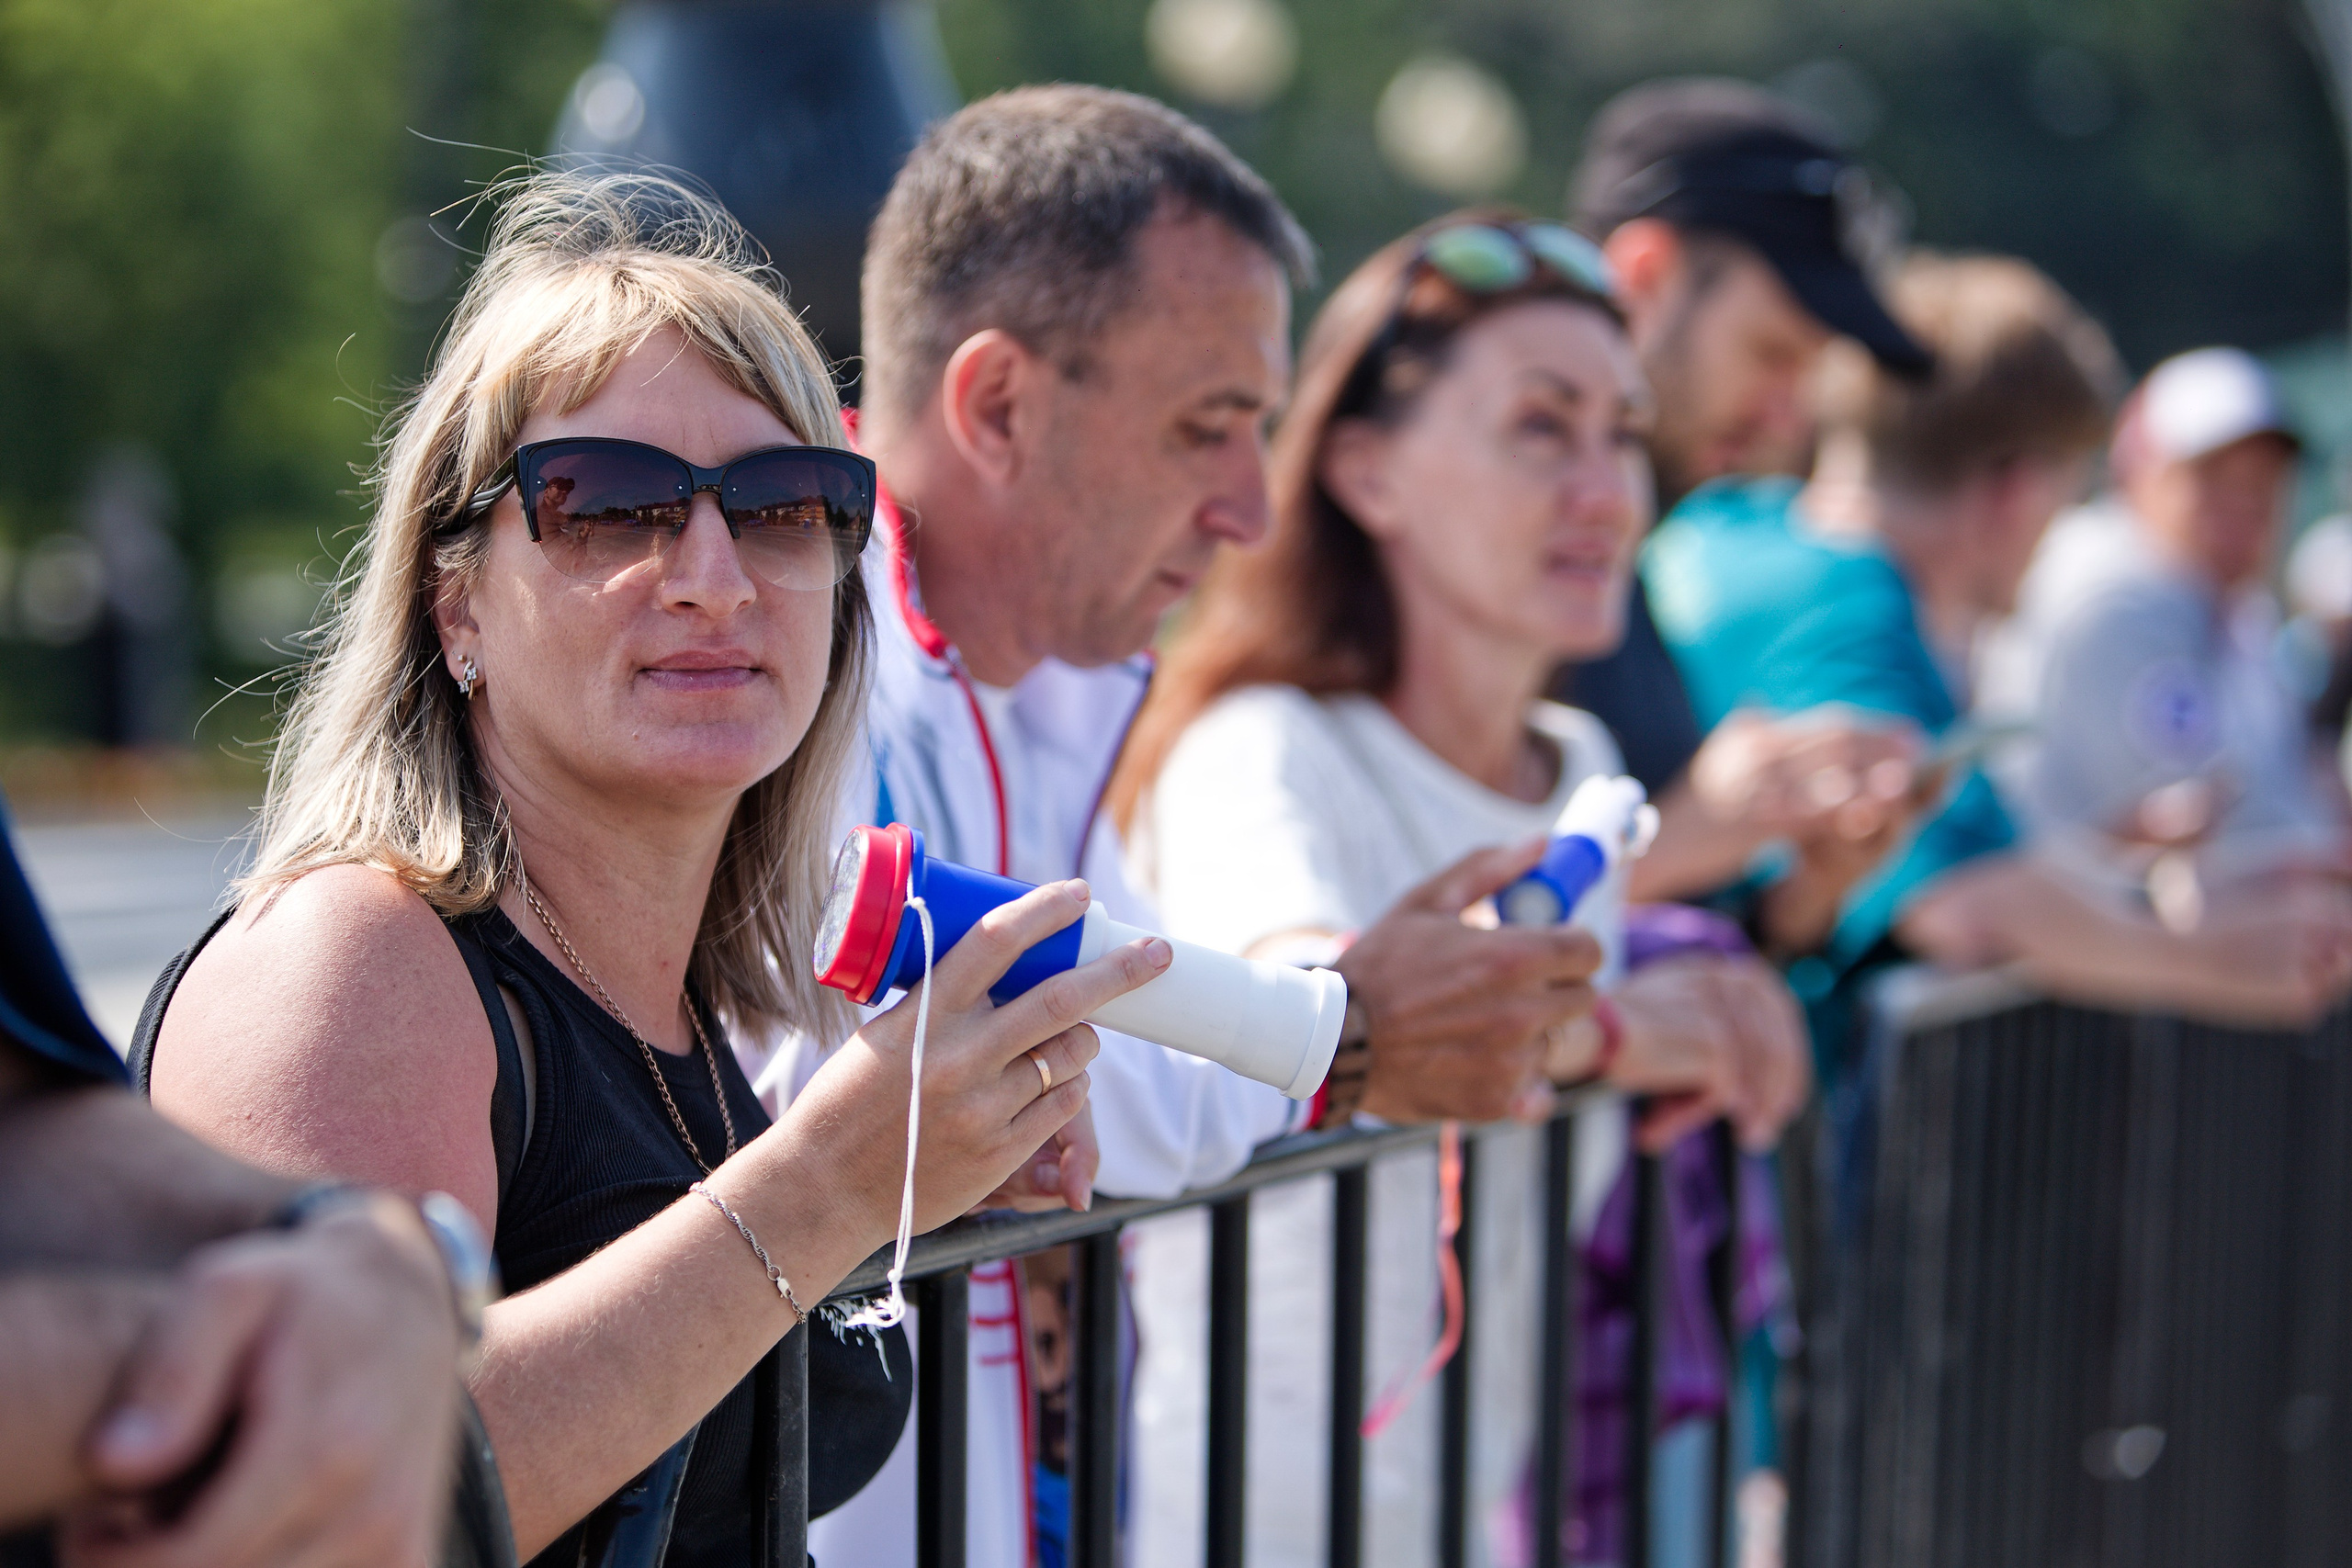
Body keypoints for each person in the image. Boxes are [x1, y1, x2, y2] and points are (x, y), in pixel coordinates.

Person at [132, 169, 1155, 1567]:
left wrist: (931, 1176)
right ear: (455, 599)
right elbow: (309, 1515)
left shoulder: (691, 1002)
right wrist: (828, 1185)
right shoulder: (353, 960)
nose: (716, 577)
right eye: (610, 507)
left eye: (789, 505)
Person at [775, 87, 1612, 1567]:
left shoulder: (1056, 672)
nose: (1250, 504)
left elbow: (1086, 1056)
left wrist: (1305, 1034)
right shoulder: (781, 653)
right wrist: (1332, 1038)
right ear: (998, 406)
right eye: (1207, 428)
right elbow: (892, 1065)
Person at [1112, 210, 1809, 1568]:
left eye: (1622, 430)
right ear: (1366, 469)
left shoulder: (1586, 762)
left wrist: (1708, 989)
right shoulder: (1262, 749)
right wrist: (1624, 1030)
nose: (1608, 489)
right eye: (1543, 428)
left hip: (1475, 1504)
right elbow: (1324, 1009)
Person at [1643, 252, 2352, 1087]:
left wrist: (2116, 873)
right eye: (2065, 494)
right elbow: (1961, 901)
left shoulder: (1736, 527)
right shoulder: (1850, 594)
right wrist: (2219, 961)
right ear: (2015, 491)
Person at [0, 791, 469, 1568]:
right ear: (456, 657)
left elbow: (17, 1118)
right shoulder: (351, 940)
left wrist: (352, 1236)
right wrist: (212, 1366)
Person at [1552, 78, 1936, 931]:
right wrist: (1690, 834)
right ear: (1642, 275)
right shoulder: (1476, 550)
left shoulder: (1628, 553)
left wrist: (1804, 891)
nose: (1788, 412)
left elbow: (1627, 951)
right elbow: (1383, 965)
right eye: (1772, 352)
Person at [1979, 347, 2346, 890]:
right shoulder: (2115, 594)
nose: (2246, 500)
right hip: (2075, 948)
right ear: (2138, 472)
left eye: (2265, 478)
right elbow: (2191, 834)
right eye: (2213, 475)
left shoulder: (2236, 605)